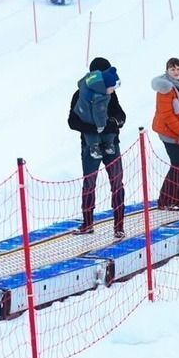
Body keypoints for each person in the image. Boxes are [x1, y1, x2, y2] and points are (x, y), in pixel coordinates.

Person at [67, 57, 126, 238]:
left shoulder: (111, 94)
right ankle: (87, 223)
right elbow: (72, 121)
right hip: (90, 145)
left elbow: (121, 115)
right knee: (89, 184)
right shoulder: (80, 94)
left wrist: (112, 123)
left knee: (116, 183)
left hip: (111, 144)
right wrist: (94, 128)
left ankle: (119, 225)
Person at [152, 57, 179, 210]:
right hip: (170, 132)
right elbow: (167, 116)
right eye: (172, 69)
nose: (176, 72)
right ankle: (165, 200)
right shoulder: (165, 88)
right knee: (178, 165)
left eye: (178, 69)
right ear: (167, 71)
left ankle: (178, 199)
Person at [74, 66, 121, 159]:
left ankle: (106, 144)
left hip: (81, 107)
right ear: (106, 86)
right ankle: (95, 147)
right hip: (87, 113)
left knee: (103, 125)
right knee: (93, 130)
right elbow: (99, 112)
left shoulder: (91, 79)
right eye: (112, 89)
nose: (112, 92)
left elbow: (80, 82)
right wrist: (101, 125)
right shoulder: (100, 96)